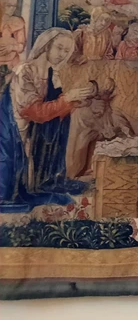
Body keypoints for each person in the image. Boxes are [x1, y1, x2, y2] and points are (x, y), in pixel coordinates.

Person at [0, 28, 95, 212]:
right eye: (59, 48)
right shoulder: (26, 71)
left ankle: (48, 180)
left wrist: (76, 101)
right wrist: (67, 99)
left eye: (67, 51)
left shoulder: (52, 73)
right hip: (13, 129)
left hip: (33, 128)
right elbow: (34, 112)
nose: (62, 54)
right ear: (46, 46)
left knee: (62, 123)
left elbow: (54, 108)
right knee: (10, 176)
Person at [0, 0, 26, 69]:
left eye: (14, 6)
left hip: (12, 61)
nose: (12, 9)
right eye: (9, 6)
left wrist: (11, 47)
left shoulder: (18, 22)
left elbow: (21, 46)